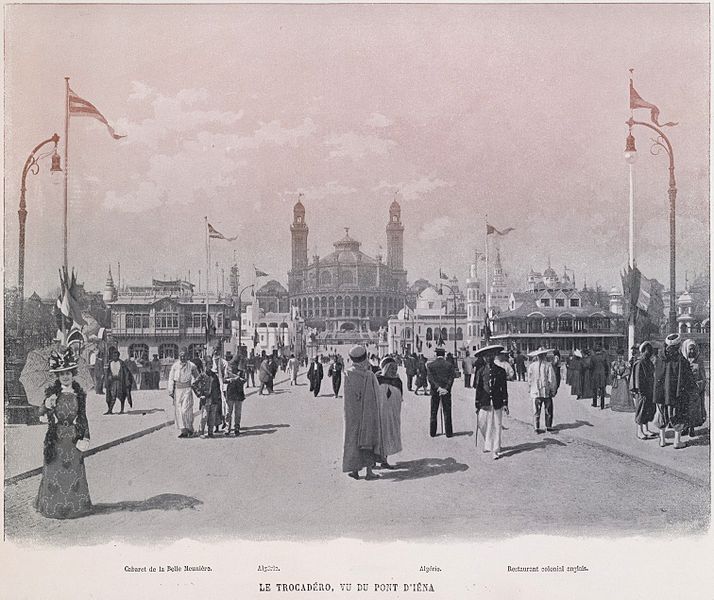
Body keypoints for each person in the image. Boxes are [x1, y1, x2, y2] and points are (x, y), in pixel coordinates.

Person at [35, 347, 92, 519]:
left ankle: (75, 506)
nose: (65, 376)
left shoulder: (79, 394)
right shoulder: (52, 394)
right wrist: (46, 405)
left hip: (73, 437)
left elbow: (82, 417)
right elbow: (39, 413)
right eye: (61, 374)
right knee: (55, 471)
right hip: (56, 437)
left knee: (74, 471)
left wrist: (86, 436)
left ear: (73, 373)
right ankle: (53, 506)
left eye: (68, 373)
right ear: (57, 376)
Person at [343, 345, 383, 481]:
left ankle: (354, 470)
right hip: (368, 413)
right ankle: (369, 472)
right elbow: (377, 395)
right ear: (365, 357)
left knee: (353, 438)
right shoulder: (369, 375)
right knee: (368, 439)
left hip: (353, 414)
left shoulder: (347, 373)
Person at [654, 334, 693, 449]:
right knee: (677, 416)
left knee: (661, 415)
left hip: (661, 394)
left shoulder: (659, 358)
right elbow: (688, 379)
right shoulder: (682, 360)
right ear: (678, 345)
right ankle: (677, 442)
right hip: (675, 394)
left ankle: (662, 440)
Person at [472, 345, 509, 460]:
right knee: (482, 424)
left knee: (496, 425)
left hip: (497, 402)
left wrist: (505, 403)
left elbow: (504, 388)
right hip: (484, 401)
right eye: (486, 356)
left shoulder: (501, 371)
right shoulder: (481, 371)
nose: (489, 358)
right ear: (483, 358)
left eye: (491, 356)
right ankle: (488, 443)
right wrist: (477, 403)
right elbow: (478, 388)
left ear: (494, 356)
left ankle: (495, 450)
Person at [376, 356, 403, 469]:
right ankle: (372, 461)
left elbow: (400, 398)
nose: (394, 371)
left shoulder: (397, 381)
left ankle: (384, 460)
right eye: (391, 368)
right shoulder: (377, 379)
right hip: (378, 414)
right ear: (385, 368)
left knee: (387, 435)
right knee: (376, 436)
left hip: (391, 415)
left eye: (395, 368)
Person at [168, 347, 199, 438]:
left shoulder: (192, 366)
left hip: (187, 389)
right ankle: (183, 431)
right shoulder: (175, 366)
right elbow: (171, 378)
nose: (182, 358)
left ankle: (190, 429)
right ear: (179, 356)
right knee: (178, 411)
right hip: (177, 390)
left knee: (186, 410)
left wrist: (195, 385)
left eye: (184, 356)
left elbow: (197, 377)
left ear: (187, 356)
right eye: (181, 356)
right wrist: (170, 390)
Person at [427, 347, 455, 438]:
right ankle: (448, 433)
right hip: (446, 391)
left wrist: (438, 388)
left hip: (435, 392)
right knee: (447, 411)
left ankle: (433, 432)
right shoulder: (449, 365)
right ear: (444, 355)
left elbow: (430, 379)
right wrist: (446, 388)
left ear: (436, 354)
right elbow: (451, 378)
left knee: (434, 411)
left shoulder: (430, 365)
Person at [681, 339, 707, 437]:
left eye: (693, 349)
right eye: (690, 349)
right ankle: (685, 427)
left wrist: (699, 385)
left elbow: (703, 377)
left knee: (693, 411)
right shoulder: (682, 360)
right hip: (684, 390)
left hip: (695, 390)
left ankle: (692, 428)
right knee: (684, 410)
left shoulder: (699, 360)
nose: (692, 351)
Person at [631, 341, 657, 440]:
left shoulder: (649, 362)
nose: (649, 352)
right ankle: (639, 431)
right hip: (642, 391)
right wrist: (640, 391)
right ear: (643, 351)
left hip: (649, 390)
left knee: (647, 410)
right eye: (647, 350)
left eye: (650, 350)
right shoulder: (639, 362)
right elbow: (637, 378)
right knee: (640, 411)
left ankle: (646, 430)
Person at [527, 347, 557, 433]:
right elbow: (552, 379)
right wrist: (553, 390)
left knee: (537, 409)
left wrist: (530, 388)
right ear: (545, 355)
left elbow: (529, 379)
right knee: (547, 409)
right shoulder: (548, 365)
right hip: (545, 390)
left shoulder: (532, 366)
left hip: (536, 390)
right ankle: (548, 426)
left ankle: (537, 427)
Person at [104, 347, 133, 414]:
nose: (115, 357)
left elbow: (126, 373)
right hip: (113, 382)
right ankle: (110, 410)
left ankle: (122, 410)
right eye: (113, 355)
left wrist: (127, 381)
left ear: (118, 356)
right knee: (112, 396)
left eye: (116, 355)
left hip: (120, 382)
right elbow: (107, 372)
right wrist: (108, 378)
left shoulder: (121, 363)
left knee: (121, 396)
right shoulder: (110, 363)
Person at [225, 362, 247, 436]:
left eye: (234, 365)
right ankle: (227, 428)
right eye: (232, 365)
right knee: (228, 412)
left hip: (238, 394)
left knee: (238, 413)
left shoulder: (241, 372)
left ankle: (237, 428)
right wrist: (231, 379)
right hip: (230, 394)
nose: (233, 367)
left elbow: (244, 380)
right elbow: (224, 381)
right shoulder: (228, 373)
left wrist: (239, 379)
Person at [191, 358, 211, 437]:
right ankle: (201, 431)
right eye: (208, 365)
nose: (210, 366)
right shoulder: (202, 375)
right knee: (204, 415)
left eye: (211, 365)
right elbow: (194, 384)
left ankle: (210, 432)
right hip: (205, 397)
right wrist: (199, 394)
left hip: (212, 397)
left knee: (211, 415)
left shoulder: (212, 374)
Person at [590, 345, 609, 409]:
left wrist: (591, 375)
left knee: (594, 389)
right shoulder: (604, 357)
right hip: (602, 374)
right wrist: (606, 374)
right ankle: (602, 405)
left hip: (595, 374)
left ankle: (595, 403)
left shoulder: (593, 357)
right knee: (602, 390)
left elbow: (591, 367)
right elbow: (606, 366)